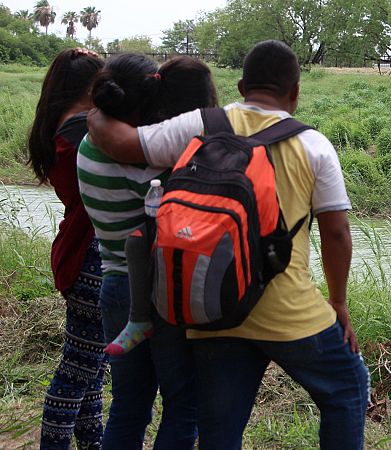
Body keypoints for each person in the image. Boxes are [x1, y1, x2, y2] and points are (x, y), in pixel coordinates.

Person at [88, 40, 370, 450]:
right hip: (288, 311)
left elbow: (121, 143)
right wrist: (339, 302)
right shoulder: (314, 145)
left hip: (213, 306)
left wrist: (95, 108)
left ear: (240, 86)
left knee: (219, 430)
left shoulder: (198, 124)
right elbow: (337, 232)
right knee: (348, 386)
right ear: (295, 92)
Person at [77, 54, 218, 449]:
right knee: (182, 406)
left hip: (114, 285)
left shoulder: (89, 145)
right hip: (160, 291)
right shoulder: (150, 162)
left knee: (127, 407)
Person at [27, 48, 105, 450]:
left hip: (80, 251)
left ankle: (93, 444)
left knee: (90, 367)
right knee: (78, 370)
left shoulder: (63, 126)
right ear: (90, 87)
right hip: (92, 257)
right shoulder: (82, 131)